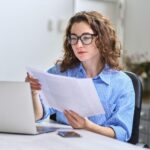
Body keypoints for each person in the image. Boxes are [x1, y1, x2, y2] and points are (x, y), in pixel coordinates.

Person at [26, 11, 135, 142]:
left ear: (101, 39)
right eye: (74, 38)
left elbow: (122, 133)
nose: (78, 44)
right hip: (62, 144)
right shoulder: (60, 72)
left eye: (86, 37)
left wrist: (88, 126)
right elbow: (38, 115)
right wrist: (34, 94)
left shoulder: (122, 83)